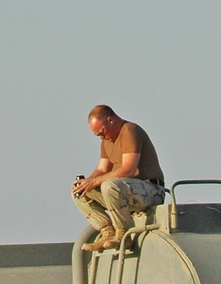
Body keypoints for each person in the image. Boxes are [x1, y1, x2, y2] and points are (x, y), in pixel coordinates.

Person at [71, 105, 165, 251]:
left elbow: (129, 169)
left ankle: (122, 234)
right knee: (80, 193)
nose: (101, 137)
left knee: (109, 185)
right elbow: (102, 169)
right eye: (97, 135)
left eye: (101, 132)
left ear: (110, 120)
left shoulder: (129, 131)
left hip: (150, 190)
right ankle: (107, 231)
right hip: (124, 191)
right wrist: (87, 183)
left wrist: (96, 181)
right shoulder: (106, 141)